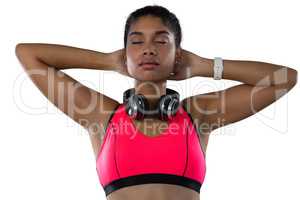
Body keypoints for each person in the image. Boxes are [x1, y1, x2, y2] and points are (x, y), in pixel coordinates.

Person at [15, 5, 297, 200]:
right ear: (125, 51)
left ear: (178, 53)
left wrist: (204, 66)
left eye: (161, 41)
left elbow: (284, 78)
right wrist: (107, 61)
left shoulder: (198, 114)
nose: (148, 48)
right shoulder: (102, 116)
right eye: (136, 42)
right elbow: (28, 54)